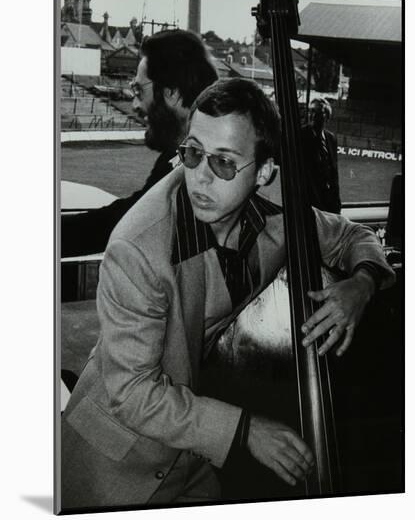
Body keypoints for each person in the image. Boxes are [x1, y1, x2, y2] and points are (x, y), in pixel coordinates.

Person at [60, 78, 395, 510]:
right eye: (193, 153)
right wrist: (246, 430)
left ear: (265, 172)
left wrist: (362, 285)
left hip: (195, 459)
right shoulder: (137, 248)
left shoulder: (273, 217)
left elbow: (352, 234)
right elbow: (132, 393)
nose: (199, 177)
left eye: (223, 162)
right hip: (112, 462)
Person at [61, 29, 218, 257]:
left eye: (138, 90)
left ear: (172, 93)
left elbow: (125, 224)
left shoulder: (198, 164)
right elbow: (128, 213)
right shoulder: (177, 155)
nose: (135, 105)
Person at [301, 97, 341, 214]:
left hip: (329, 206)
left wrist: (336, 205)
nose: (312, 115)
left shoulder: (331, 139)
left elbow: (334, 174)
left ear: (327, 117)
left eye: (317, 112)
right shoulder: (300, 136)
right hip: (309, 207)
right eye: (310, 111)